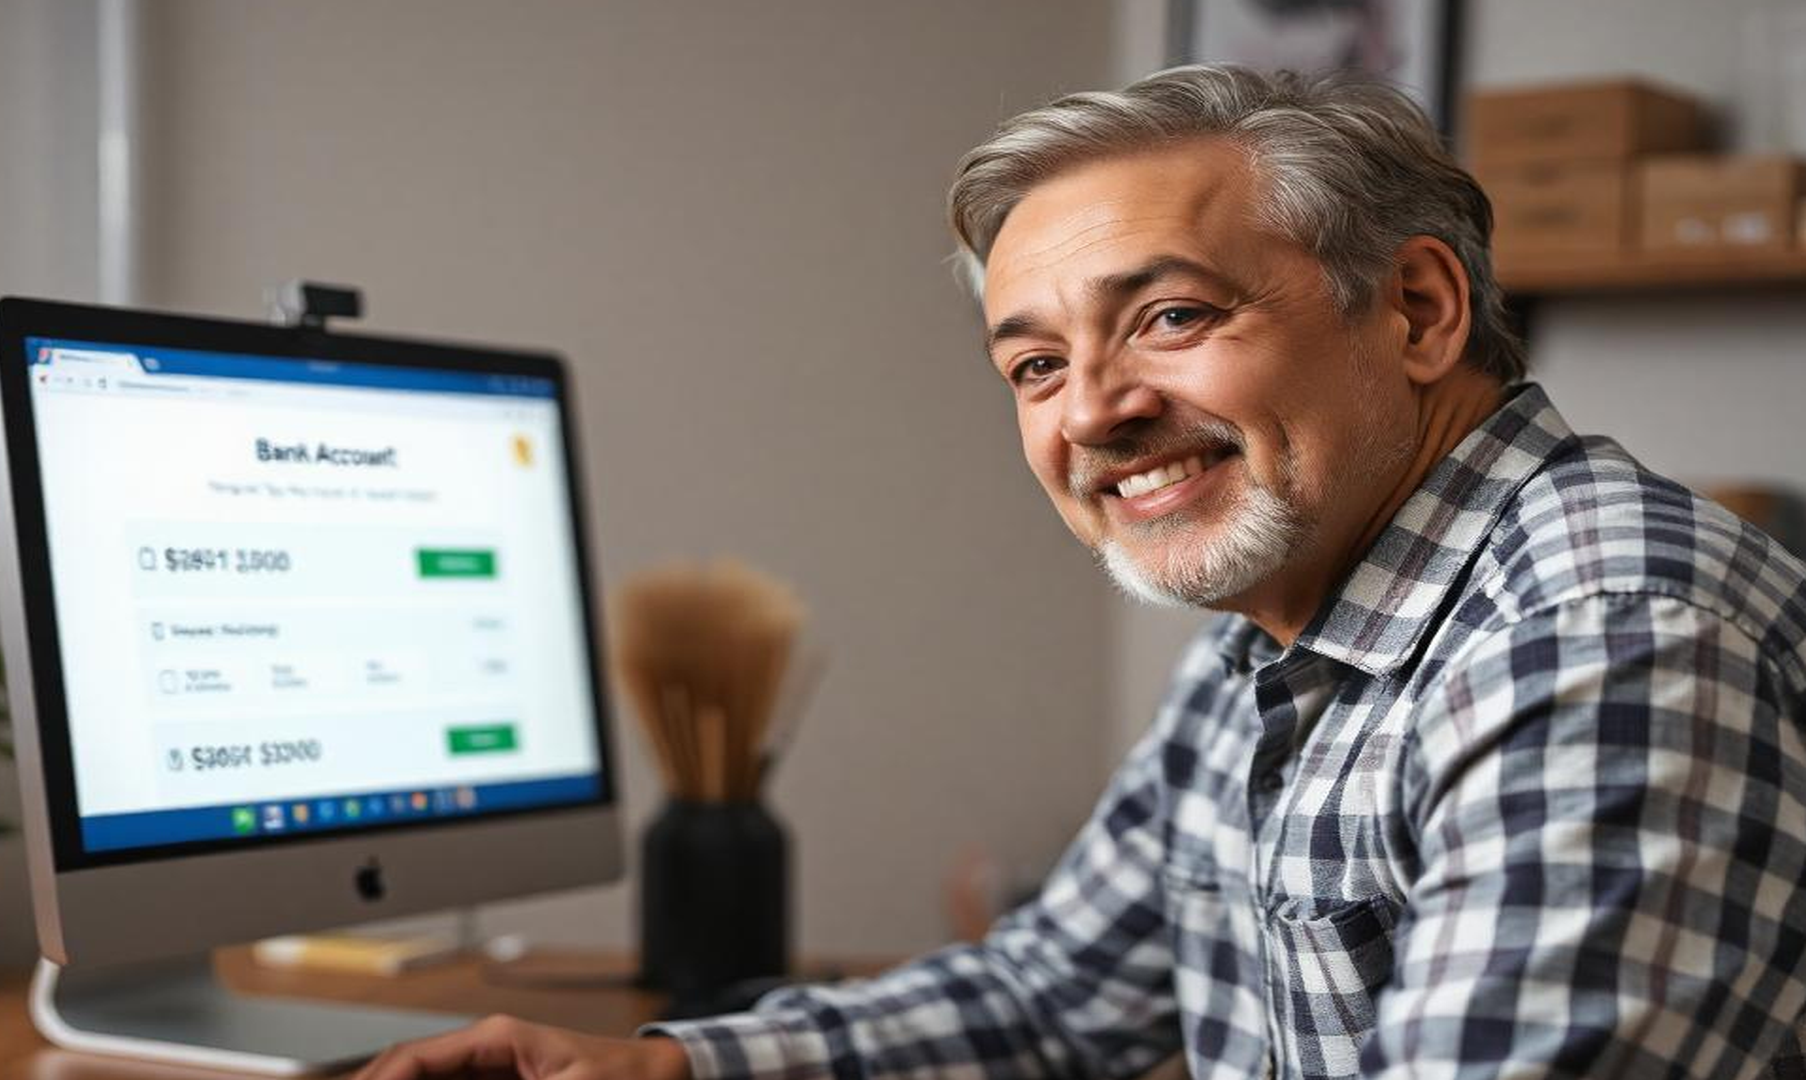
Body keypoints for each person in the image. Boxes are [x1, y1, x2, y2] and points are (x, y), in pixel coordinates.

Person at [358, 65, 1806, 1080]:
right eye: (1036, 363)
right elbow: (1056, 999)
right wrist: (663, 1066)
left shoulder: (1604, 633)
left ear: (1418, 309)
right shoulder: (1288, 625)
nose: (1091, 412)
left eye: (1171, 316)